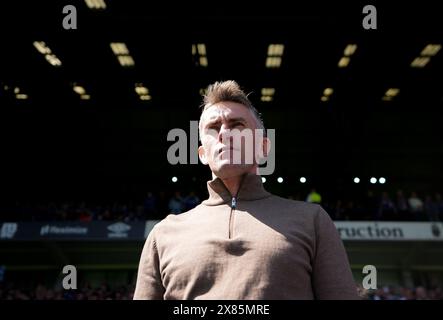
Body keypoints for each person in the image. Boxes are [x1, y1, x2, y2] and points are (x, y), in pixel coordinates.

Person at [134, 80, 358, 300]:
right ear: (202, 154)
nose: (224, 133)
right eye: (213, 128)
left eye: (237, 125)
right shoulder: (163, 235)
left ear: (263, 147)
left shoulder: (313, 221)